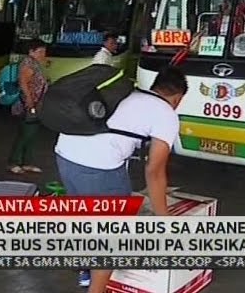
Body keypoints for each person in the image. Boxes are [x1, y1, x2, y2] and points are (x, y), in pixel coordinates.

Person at [54, 66, 188, 293]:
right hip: (99, 167)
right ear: (177, 98)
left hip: (64, 154)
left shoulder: (130, 94)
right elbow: (154, 171)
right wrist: (164, 219)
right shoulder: (166, 113)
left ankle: (84, 268)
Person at [8, 38, 48, 174]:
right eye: (40, 51)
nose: (43, 54)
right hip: (29, 103)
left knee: (32, 133)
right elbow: (23, 82)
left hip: (37, 103)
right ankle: (14, 161)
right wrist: (29, 100)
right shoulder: (28, 63)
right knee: (26, 133)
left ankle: (27, 162)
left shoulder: (35, 63)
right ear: (31, 51)